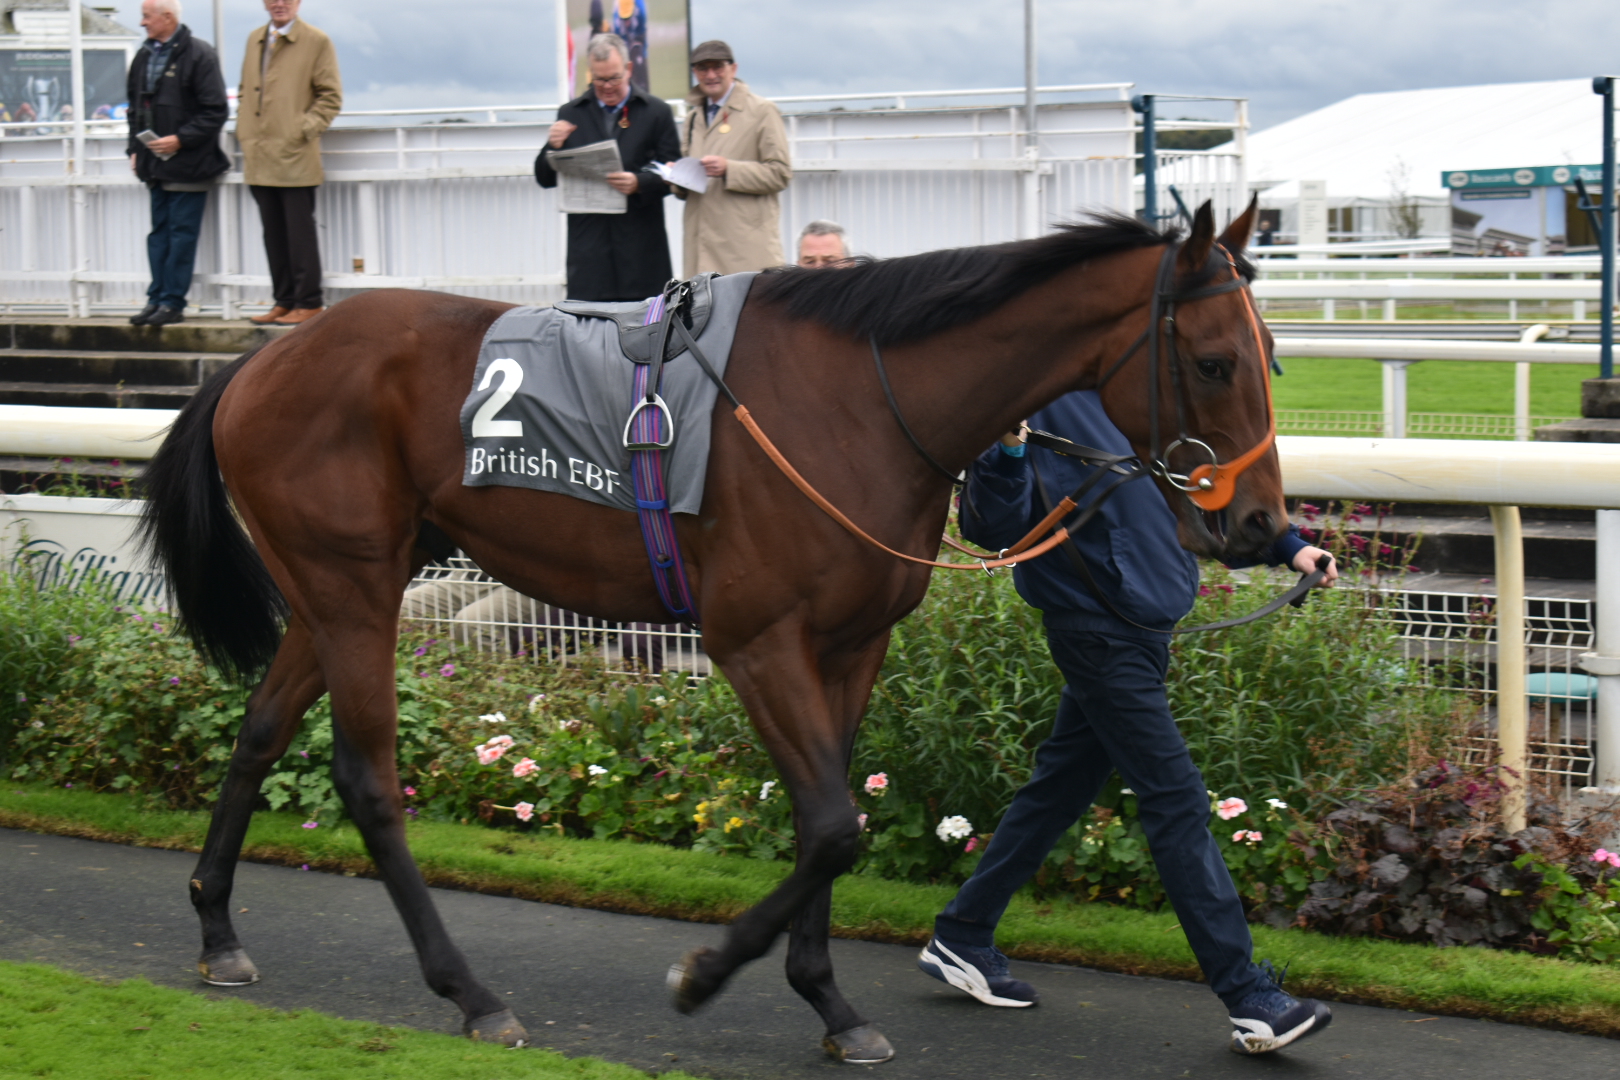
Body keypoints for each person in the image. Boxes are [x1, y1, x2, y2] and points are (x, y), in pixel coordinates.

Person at [916, 391, 1340, 1056]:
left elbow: (1198, 490)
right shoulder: (1034, 384)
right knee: (1174, 799)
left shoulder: (1134, 385)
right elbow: (991, 525)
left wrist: (1288, 546)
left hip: (1141, 628)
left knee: (1059, 788)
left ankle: (962, 935)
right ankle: (1250, 996)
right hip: (1095, 632)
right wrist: (1008, 446)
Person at [535, 33, 679, 302]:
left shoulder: (656, 112)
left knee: (645, 330)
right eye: (599, 79)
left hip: (641, 247)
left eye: (614, 77)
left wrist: (640, 182)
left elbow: (673, 172)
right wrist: (551, 147)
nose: (607, 86)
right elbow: (544, 178)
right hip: (589, 250)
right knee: (590, 331)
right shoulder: (570, 113)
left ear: (628, 69)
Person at [236, 0, 342, 326]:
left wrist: (301, 130)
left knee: (299, 233)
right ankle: (283, 300)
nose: (278, 3)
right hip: (259, 153)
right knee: (273, 233)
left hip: (295, 154)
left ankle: (308, 302)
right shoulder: (255, 38)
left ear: (298, 3)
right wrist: (245, 130)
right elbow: (244, 91)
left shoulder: (316, 40)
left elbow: (330, 97)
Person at [125, 0, 230, 327]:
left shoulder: (200, 54)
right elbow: (134, 109)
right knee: (160, 234)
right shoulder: (144, 56)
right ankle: (157, 299)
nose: (142, 23)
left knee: (180, 234)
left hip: (189, 164)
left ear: (167, 17)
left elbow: (216, 111)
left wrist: (180, 139)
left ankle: (172, 302)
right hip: (154, 164)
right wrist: (134, 149)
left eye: (146, 16)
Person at [677, 41, 791, 275]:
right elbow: (687, 188)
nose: (710, 75)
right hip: (701, 252)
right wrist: (676, 176)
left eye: (717, 67)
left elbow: (780, 173)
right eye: (702, 68)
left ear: (733, 69)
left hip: (746, 254)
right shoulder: (692, 118)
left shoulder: (762, 111)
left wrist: (729, 169)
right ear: (694, 72)